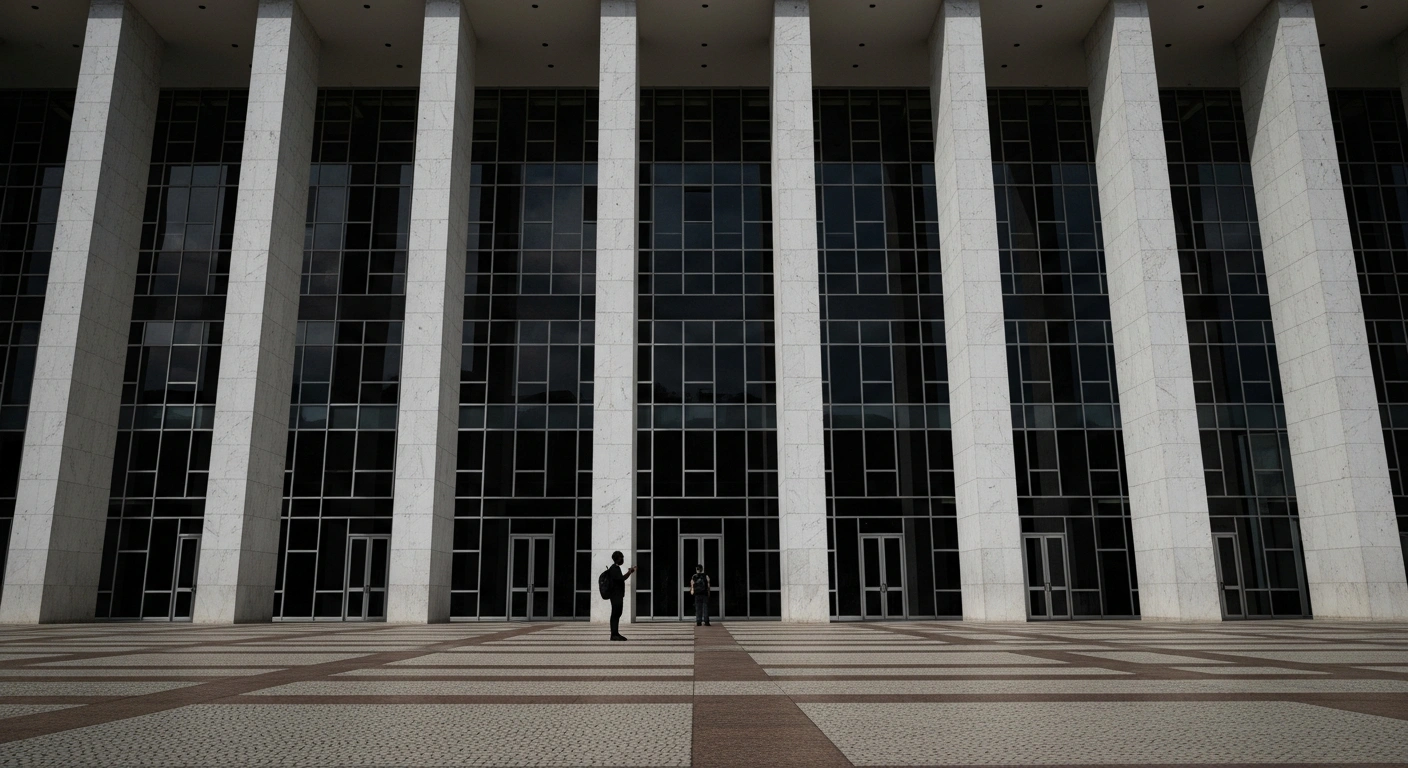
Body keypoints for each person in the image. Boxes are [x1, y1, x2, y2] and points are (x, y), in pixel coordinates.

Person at [606, 551, 636, 641]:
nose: (622, 559)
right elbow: (621, 579)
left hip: (617, 595)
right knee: (615, 614)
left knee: (617, 614)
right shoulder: (614, 568)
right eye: (621, 557)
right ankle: (614, 634)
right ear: (617, 558)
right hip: (615, 595)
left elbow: (620, 579)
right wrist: (630, 572)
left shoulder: (615, 568)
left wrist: (630, 572)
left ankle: (615, 633)